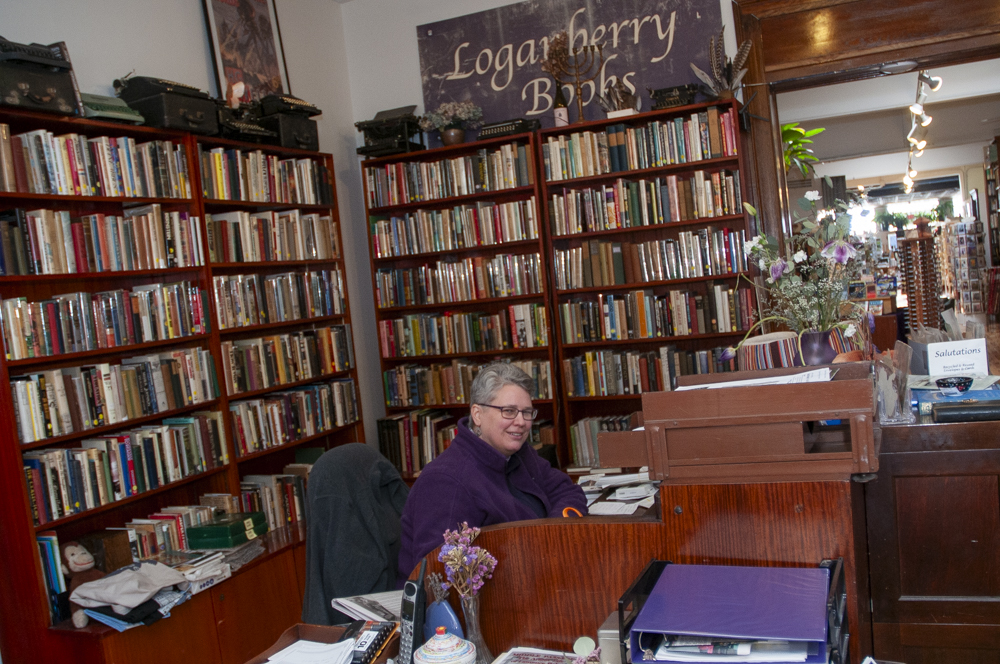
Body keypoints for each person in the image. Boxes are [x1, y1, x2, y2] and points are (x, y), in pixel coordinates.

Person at [398, 362, 587, 581]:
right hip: (491, 601)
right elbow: (439, 578)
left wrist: (554, 535)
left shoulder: (518, 453)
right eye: (508, 411)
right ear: (477, 415)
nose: (521, 422)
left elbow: (567, 491)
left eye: (527, 412)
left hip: (539, 576)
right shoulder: (445, 482)